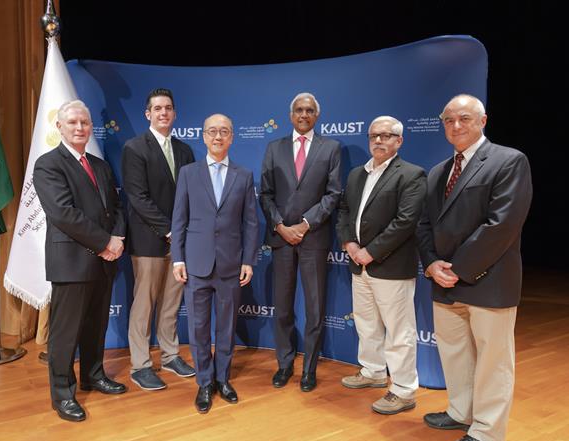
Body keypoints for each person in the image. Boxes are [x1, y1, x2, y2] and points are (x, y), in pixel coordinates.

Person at [417, 94, 532, 441]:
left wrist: (459, 269)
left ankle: (486, 434)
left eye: (464, 118)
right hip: (445, 282)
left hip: (489, 281)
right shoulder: (438, 172)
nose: (456, 126)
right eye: (449, 120)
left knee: (493, 362)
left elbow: (501, 225)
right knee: (455, 355)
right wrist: (433, 264)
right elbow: (423, 224)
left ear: (483, 121)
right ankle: (460, 411)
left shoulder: (509, 161)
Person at [33, 100, 128, 422]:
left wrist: (117, 240)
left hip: (104, 262)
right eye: (72, 122)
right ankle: (62, 394)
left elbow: (114, 209)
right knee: (64, 334)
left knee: (95, 326)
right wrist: (104, 242)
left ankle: (93, 375)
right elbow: (63, 213)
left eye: (84, 123)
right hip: (71, 263)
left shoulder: (100, 166)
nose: (79, 128)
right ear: (59, 126)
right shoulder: (48, 165)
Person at [336, 116, 426, 414]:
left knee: (399, 332)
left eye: (386, 136)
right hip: (358, 264)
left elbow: (405, 222)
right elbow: (345, 210)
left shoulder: (412, 175)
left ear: (399, 141)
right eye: (374, 135)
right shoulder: (355, 174)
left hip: (390, 266)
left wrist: (370, 252)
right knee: (366, 323)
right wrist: (349, 244)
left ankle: (403, 390)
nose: (378, 140)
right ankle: (373, 371)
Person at [171, 113, 259, 414]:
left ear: (232, 137)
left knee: (226, 326)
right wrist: (178, 258)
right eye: (212, 131)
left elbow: (250, 223)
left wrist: (249, 260)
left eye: (224, 132)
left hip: (231, 265)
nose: (218, 137)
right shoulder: (188, 173)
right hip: (195, 263)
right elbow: (179, 218)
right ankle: (204, 382)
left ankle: (223, 379)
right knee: (198, 328)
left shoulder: (244, 175)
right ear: (204, 136)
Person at [259, 92, 341, 392]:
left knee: (315, 309)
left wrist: (305, 224)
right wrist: (281, 226)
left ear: (316, 116)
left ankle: (309, 369)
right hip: (281, 240)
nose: (303, 115)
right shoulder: (273, 148)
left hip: (313, 239)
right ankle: (284, 365)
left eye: (309, 110)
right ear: (290, 115)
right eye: (298, 110)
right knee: (282, 308)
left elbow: (333, 194)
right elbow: (265, 194)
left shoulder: (331, 148)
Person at [122, 88, 196, 391]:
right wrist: (169, 230)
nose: (163, 113)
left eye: (168, 108)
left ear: (175, 114)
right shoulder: (135, 148)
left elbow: (191, 195)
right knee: (144, 304)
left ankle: (170, 355)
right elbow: (137, 197)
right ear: (148, 114)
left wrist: (183, 233)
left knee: (171, 303)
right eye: (157, 108)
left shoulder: (185, 150)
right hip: (149, 240)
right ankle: (140, 365)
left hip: (179, 243)